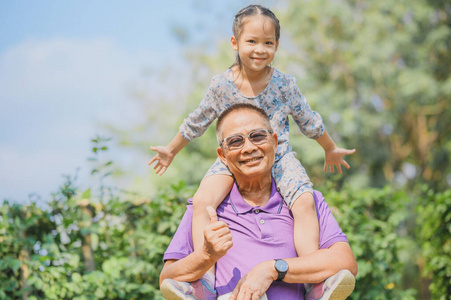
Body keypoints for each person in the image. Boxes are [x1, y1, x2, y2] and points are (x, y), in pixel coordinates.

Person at [149, 4, 355, 292]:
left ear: (277, 46)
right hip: (231, 158)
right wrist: (171, 149)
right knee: (201, 200)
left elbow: (309, 120)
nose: (260, 49)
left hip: (279, 156)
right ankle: (203, 280)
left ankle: (314, 282)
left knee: (305, 201)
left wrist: (330, 148)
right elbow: (198, 120)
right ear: (235, 43)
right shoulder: (221, 85)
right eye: (252, 41)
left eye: (268, 43)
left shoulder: (285, 84)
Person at [159, 104, 357, 300]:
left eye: (258, 136)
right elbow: (168, 279)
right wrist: (205, 255)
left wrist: (271, 269)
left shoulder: (305, 200)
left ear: (274, 141)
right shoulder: (206, 207)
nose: (249, 148)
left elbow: (345, 262)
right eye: (236, 141)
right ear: (223, 156)